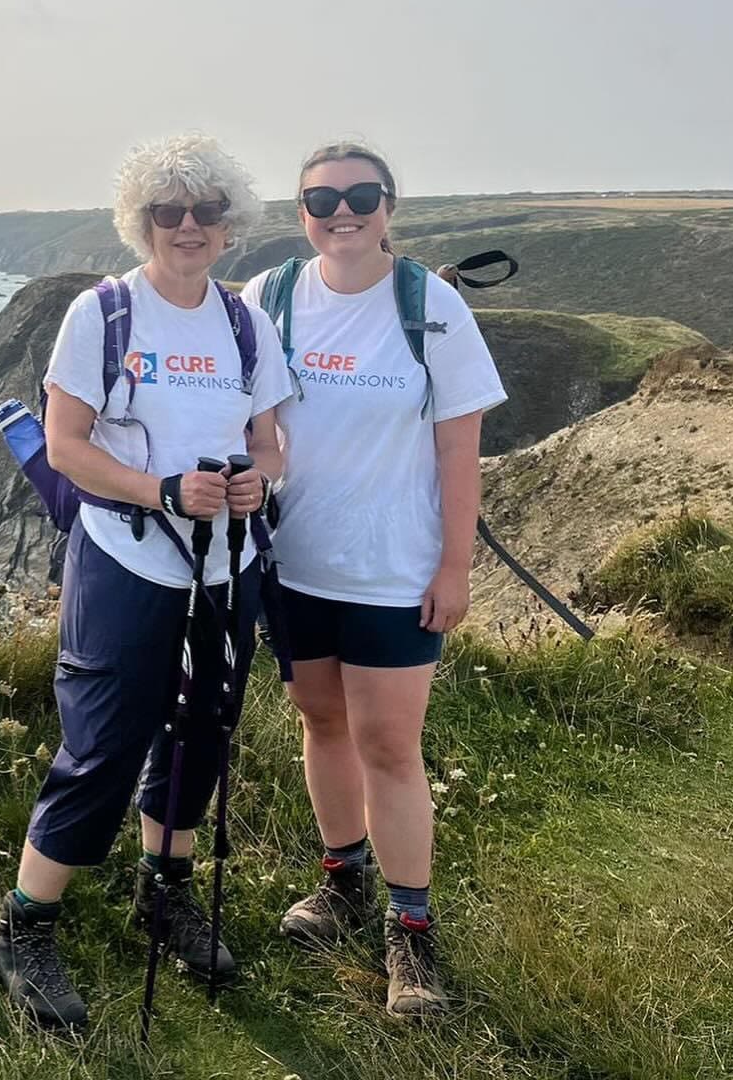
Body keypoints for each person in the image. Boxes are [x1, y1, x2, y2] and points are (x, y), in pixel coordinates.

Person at [0, 134, 293, 1031]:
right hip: (125, 558)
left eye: (205, 211)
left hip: (226, 559)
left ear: (229, 226)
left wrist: (257, 481)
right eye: (168, 211)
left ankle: (164, 893)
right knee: (105, 741)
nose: (187, 226)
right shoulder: (103, 313)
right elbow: (69, 445)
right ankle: (23, 928)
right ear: (142, 222)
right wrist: (162, 489)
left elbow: (272, 440)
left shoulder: (245, 322)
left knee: (203, 728)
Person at [240, 142, 506, 1020]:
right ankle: (342, 879)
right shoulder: (270, 298)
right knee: (322, 722)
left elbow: (459, 448)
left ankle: (411, 932)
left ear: (390, 204)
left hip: (394, 571)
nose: (340, 211)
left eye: (360, 194)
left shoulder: (432, 307)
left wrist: (455, 568)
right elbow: (241, 415)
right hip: (298, 562)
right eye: (321, 198)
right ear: (301, 211)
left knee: (390, 746)